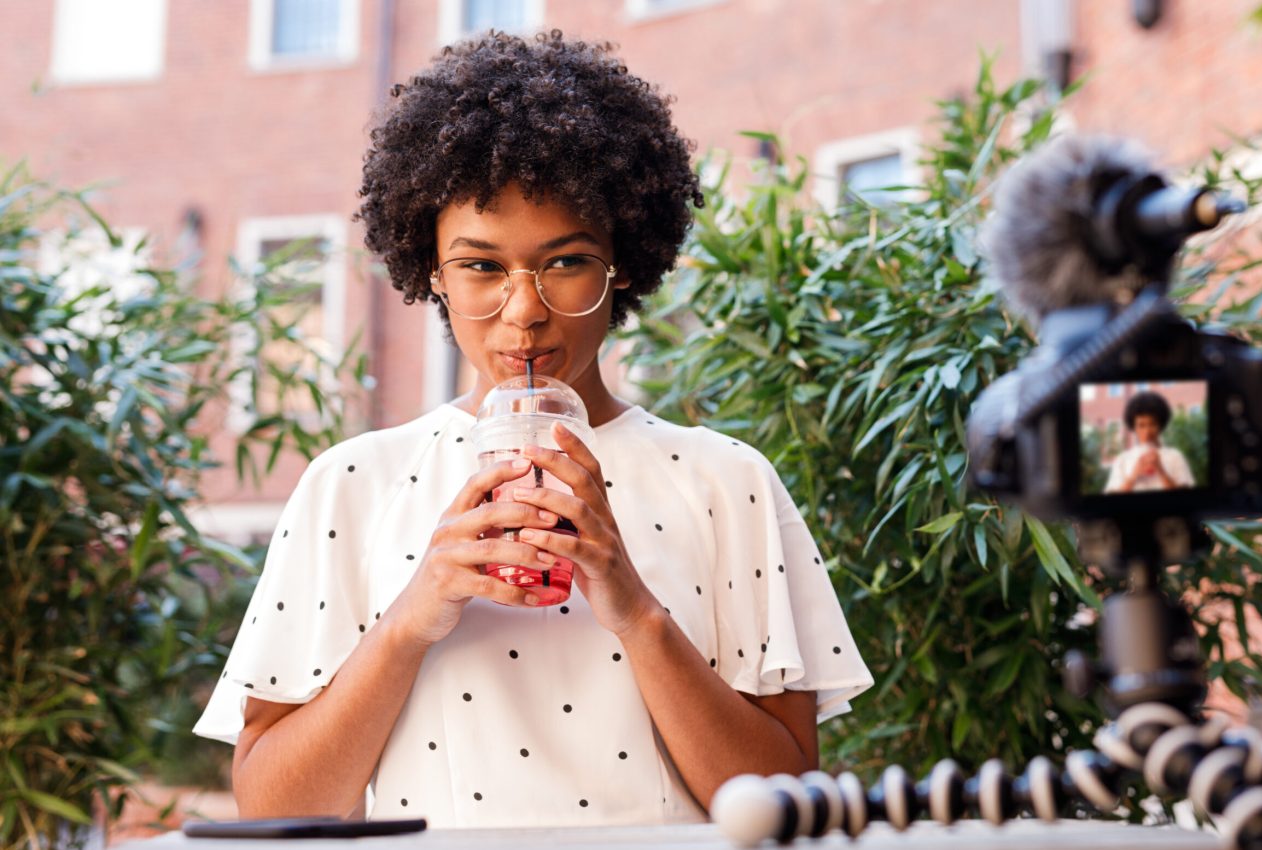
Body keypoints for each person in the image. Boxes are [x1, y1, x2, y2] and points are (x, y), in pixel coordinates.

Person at [192, 31, 873, 828]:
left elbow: (784, 803)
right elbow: (273, 807)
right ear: (431, 274)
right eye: (481, 267)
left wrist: (633, 606)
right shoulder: (352, 485)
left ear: (623, 263)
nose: (525, 312)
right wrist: (412, 617)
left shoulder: (727, 482)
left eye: (565, 262)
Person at [1103, 390, 1195, 493]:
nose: (1147, 432)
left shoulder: (1175, 456)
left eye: (1152, 424)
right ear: (1134, 427)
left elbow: (1186, 500)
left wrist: (1161, 471)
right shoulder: (1122, 460)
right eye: (1141, 425)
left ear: (1160, 425)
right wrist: (1134, 475)